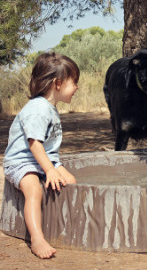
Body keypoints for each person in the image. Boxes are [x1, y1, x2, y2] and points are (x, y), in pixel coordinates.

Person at [3, 52, 80, 258]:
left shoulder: (50, 107)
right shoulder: (38, 109)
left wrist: (54, 168)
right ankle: (37, 238)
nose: (77, 88)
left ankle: (64, 227)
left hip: (43, 160)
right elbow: (34, 143)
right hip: (21, 161)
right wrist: (49, 170)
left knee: (71, 182)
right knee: (34, 190)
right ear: (58, 83)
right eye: (75, 82)